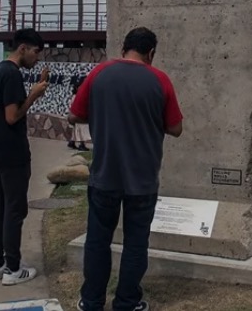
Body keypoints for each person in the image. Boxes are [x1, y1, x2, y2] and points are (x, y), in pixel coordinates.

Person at [69, 27, 184, 311]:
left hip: (104, 174)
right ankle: (126, 302)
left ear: (123, 49)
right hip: (142, 179)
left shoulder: (99, 73)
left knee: (98, 241)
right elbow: (176, 128)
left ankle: (92, 301)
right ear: (151, 53)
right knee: (135, 243)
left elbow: (74, 115)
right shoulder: (160, 80)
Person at [0, 29, 49, 286]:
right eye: (35, 52)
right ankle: (12, 268)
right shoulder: (11, 74)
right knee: (14, 209)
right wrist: (33, 95)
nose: (37, 58)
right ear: (23, 48)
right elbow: (12, 117)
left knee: (0, 204)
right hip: (12, 150)